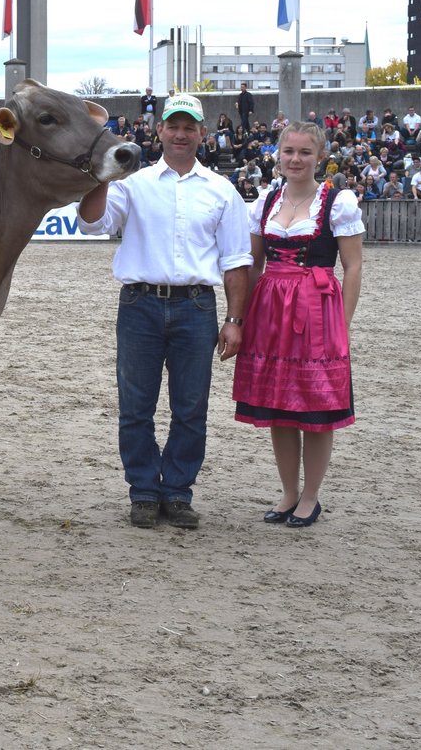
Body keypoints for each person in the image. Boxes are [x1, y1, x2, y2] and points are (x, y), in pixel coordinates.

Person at [78, 93, 252, 529]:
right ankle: (142, 490)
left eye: (188, 127)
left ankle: (177, 490)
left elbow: (235, 261)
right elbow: (92, 223)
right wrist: (102, 174)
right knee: (135, 406)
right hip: (140, 302)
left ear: (202, 134)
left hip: (196, 305)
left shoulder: (221, 190)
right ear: (159, 132)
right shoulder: (131, 185)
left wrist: (234, 320)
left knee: (190, 408)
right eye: (173, 126)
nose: (180, 134)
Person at [233, 122, 362, 529]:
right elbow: (254, 264)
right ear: (278, 153)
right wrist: (241, 317)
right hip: (271, 310)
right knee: (279, 406)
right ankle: (289, 492)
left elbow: (353, 266)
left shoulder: (338, 201)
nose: (295, 159)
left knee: (317, 404)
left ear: (320, 156)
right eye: (289, 151)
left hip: (316, 309)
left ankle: (310, 497)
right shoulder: (266, 200)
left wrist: (342, 322)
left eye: (305, 152)